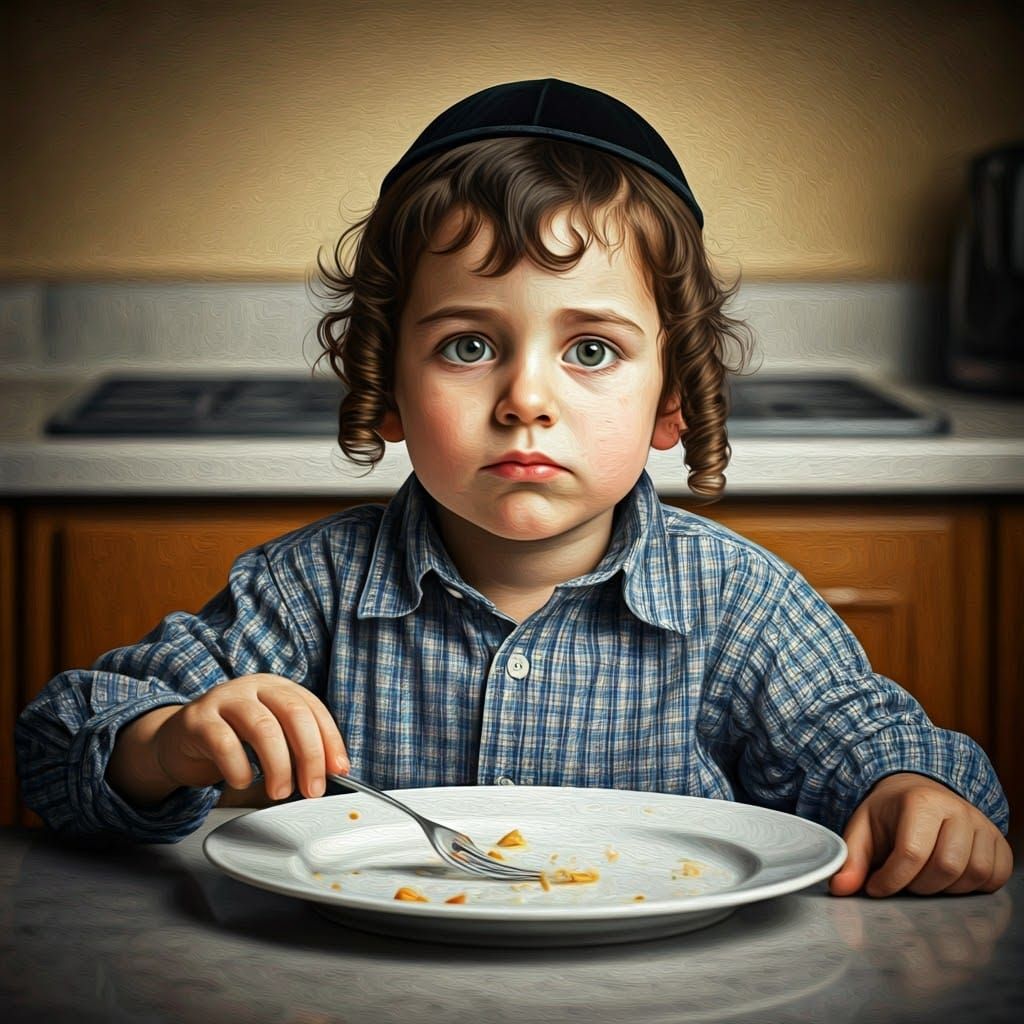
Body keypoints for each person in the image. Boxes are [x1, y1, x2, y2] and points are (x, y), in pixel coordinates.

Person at [16, 78, 1011, 898]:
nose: (524, 398)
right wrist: (167, 743)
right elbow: (57, 743)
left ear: (672, 403)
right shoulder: (301, 592)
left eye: (589, 348)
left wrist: (915, 791)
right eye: (468, 344)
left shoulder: (739, 607)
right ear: (388, 391)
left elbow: (884, 748)